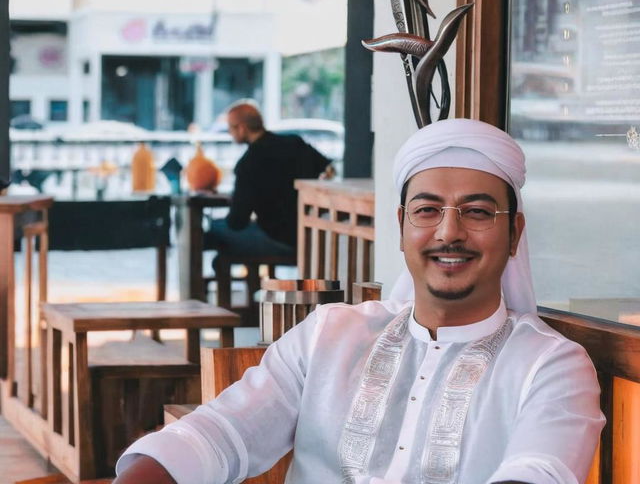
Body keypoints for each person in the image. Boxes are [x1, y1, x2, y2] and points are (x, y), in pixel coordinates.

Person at [114, 118, 604, 484]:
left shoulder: (549, 366)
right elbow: (220, 434)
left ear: (514, 232)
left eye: (477, 212)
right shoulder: (329, 334)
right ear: (401, 226)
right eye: (427, 210)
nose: (449, 232)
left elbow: (540, 471)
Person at [205, 101, 334, 263]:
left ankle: (204, 273)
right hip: (311, 234)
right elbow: (329, 170)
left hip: (278, 239)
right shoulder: (295, 143)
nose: (229, 133)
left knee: (215, 228)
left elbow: (237, 221)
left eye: (230, 128)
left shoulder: (248, 163)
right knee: (221, 251)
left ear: (242, 128)